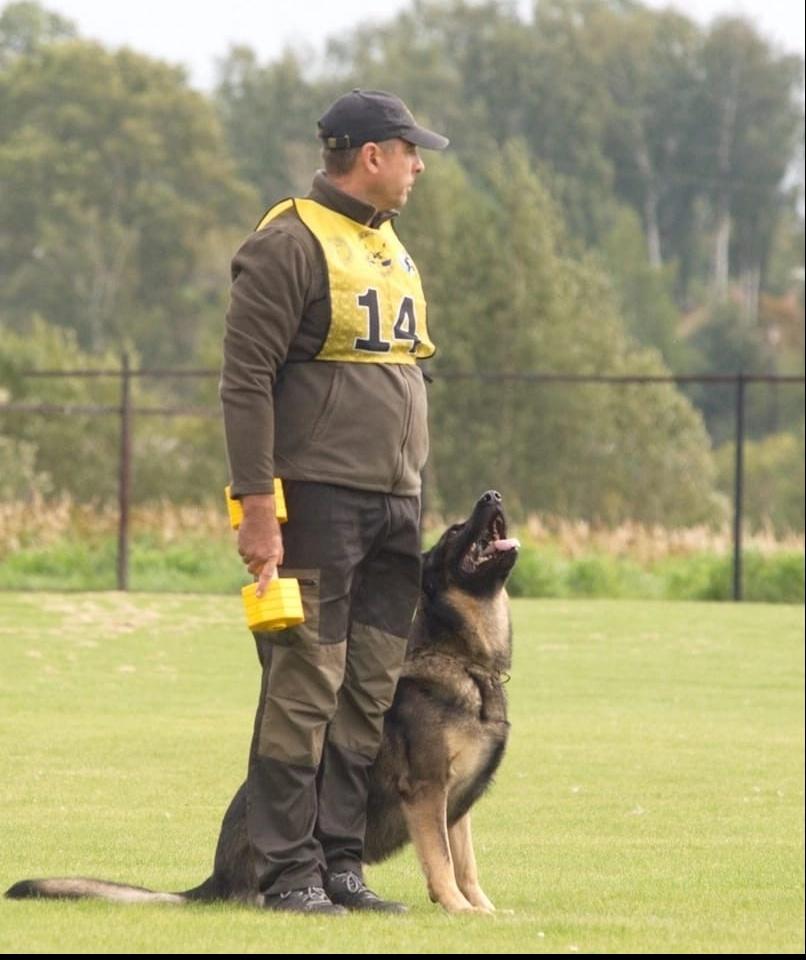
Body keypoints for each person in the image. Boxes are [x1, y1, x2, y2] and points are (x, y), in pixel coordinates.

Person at [220, 89, 449, 915]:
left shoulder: (386, 245)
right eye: (409, 150)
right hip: (315, 501)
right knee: (303, 688)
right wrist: (257, 505)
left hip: (395, 503)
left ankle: (341, 865)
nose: (419, 165)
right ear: (371, 155)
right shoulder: (288, 242)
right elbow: (245, 378)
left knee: (369, 691)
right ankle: (288, 874)